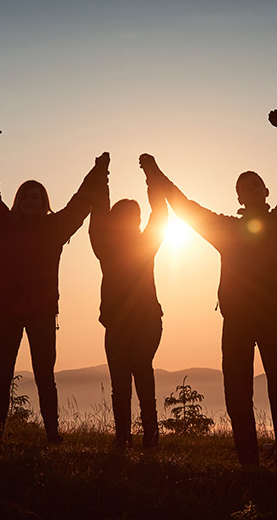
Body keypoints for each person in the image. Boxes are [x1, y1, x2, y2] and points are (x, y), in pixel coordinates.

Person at [141, 109, 277, 466]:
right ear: (238, 196)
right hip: (236, 319)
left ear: (265, 191)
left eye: (254, 185)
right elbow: (186, 208)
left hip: (271, 315)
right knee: (236, 391)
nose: (248, 189)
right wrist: (155, 174)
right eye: (241, 187)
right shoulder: (228, 230)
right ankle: (248, 457)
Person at [0, 138, 105, 444]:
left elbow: (80, 202)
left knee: (45, 375)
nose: (30, 201)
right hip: (7, 309)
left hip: (42, 311)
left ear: (44, 201)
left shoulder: (55, 228)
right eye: (25, 196)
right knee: (3, 374)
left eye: (35, 197)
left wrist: (98, 171)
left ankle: (52, 433)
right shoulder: (4, 224)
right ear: (18, 200)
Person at [88, 152, 167, 449]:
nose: (131, 220)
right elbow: (98, 212)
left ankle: (148, 436)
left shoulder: (145, 244)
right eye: (126, 216)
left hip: (146, 322)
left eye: (134, 216)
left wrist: (151, 175)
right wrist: (102, 175)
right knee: (123, 380)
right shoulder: (105, 247)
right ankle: (125, 437)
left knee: (139, 372)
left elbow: (160, 214)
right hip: (120, 324)